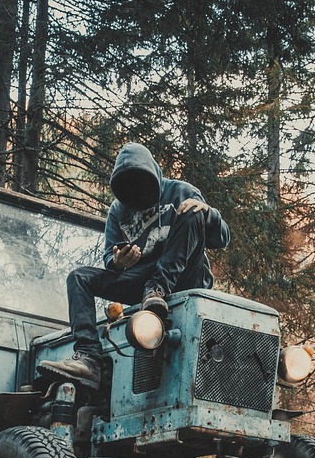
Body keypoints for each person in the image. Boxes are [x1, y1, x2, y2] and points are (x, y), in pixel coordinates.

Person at [38, 142, 230, 389]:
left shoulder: (182, 192)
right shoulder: (118, 211)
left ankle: (157, 289)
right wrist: (118, 263)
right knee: (79, 277)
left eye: (144, 186)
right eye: (131, 190)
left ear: (155, 176)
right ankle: (89, 357)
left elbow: (221, 239)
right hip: (141, 283)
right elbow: (110, 258)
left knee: (192, 212)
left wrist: (209, 214)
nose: (139, 194)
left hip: (185, 276)